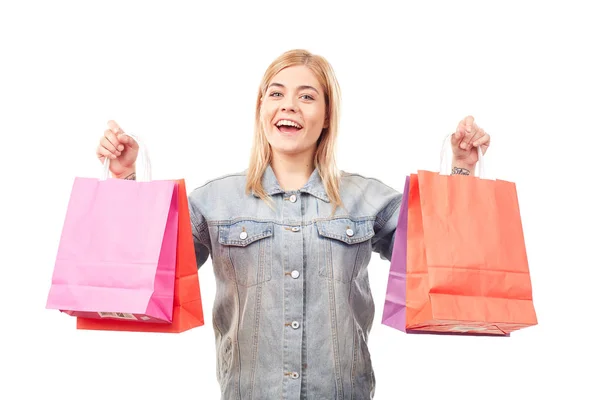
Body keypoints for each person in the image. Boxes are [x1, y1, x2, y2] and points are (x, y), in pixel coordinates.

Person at [95, 49, 491, 400]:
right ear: (261, 109)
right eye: (277, 93)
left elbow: (442, 258)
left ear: (326, 117)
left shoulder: (367, 199)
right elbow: (147, 276)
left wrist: (461, 168)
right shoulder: (213, 202)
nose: (290, 105)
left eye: (307, 96)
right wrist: (124, 179)